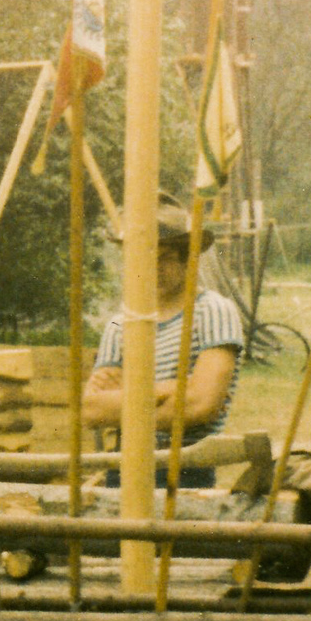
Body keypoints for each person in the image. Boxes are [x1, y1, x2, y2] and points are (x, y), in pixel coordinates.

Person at [82, 204, 245, 488]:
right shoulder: (120, 324)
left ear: (188, 259)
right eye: (143, 257)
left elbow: (202, 404)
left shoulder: (212, 311)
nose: (154, 268)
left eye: (165, 258)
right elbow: (92, 411)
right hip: (123, 468)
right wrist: (171, 388)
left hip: (184, 469)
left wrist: (124, 398)